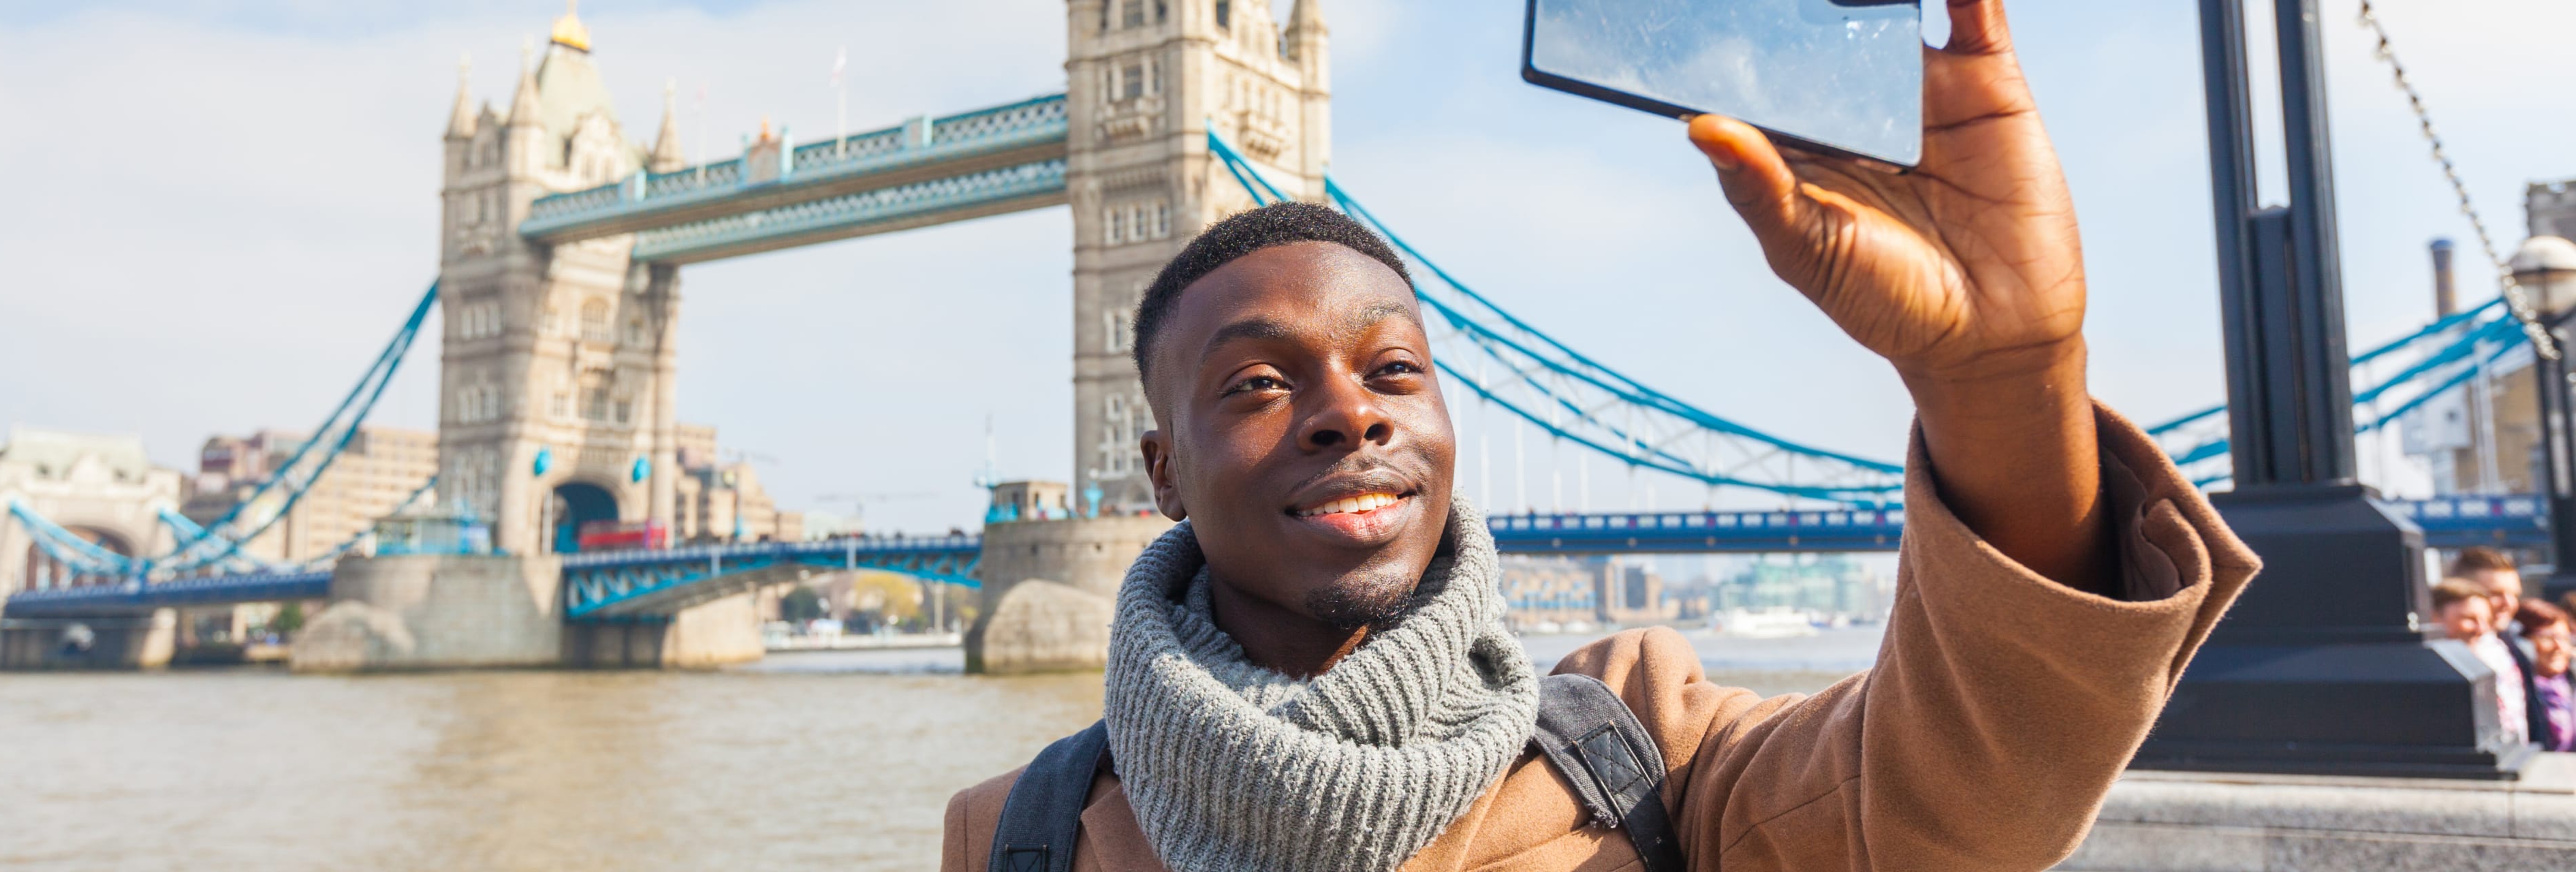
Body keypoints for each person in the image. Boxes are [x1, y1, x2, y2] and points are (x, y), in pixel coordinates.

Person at [942, 3, 2259, 870]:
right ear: (1157, 467)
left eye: (1394, 367)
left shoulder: (1644, 748)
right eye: (1254, 384)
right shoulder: (1017, 834)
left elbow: (1970, 798)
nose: (1351, 410)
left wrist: (2005, 382)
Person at [2451, 547, 2547, 744]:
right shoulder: (2449, 656)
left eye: (2514, 594)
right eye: (2495, 594)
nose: (2509, 603)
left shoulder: (2511, 648)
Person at [2433, 577, 2528, 745]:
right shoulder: (2428, 672)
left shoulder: (2499, 653)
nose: (2481, 629)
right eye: (2469, 619)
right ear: (2435, 618)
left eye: (2486, 620)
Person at [2518, 600, 2576, 752]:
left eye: (2564, 638)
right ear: (2523, 642)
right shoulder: (2517, 691)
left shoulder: (2571, 681)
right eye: (2547, 638)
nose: (2559, 647)